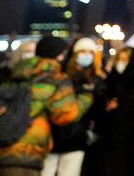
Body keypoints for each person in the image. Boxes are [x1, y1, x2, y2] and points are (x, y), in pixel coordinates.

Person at [0, 36, 94, 176]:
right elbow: (65, 115)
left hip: (3, 145)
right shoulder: (55, 79)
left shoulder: (16, 73)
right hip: (28, 151)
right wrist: (85, 98)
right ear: (58, 56)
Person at [43, 37, 106, 176]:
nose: (87, 55)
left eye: (91, 52)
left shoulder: (96, 80)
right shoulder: (61, 76)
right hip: (52, 137)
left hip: (77, 139)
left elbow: (99, 111)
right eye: (83, 51)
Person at [95, 47, 134, 176]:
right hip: (109, 141)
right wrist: (106, 108)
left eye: (125, 60)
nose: (120, 63)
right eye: (118, 59)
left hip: (132, 143)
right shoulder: (108, 83)